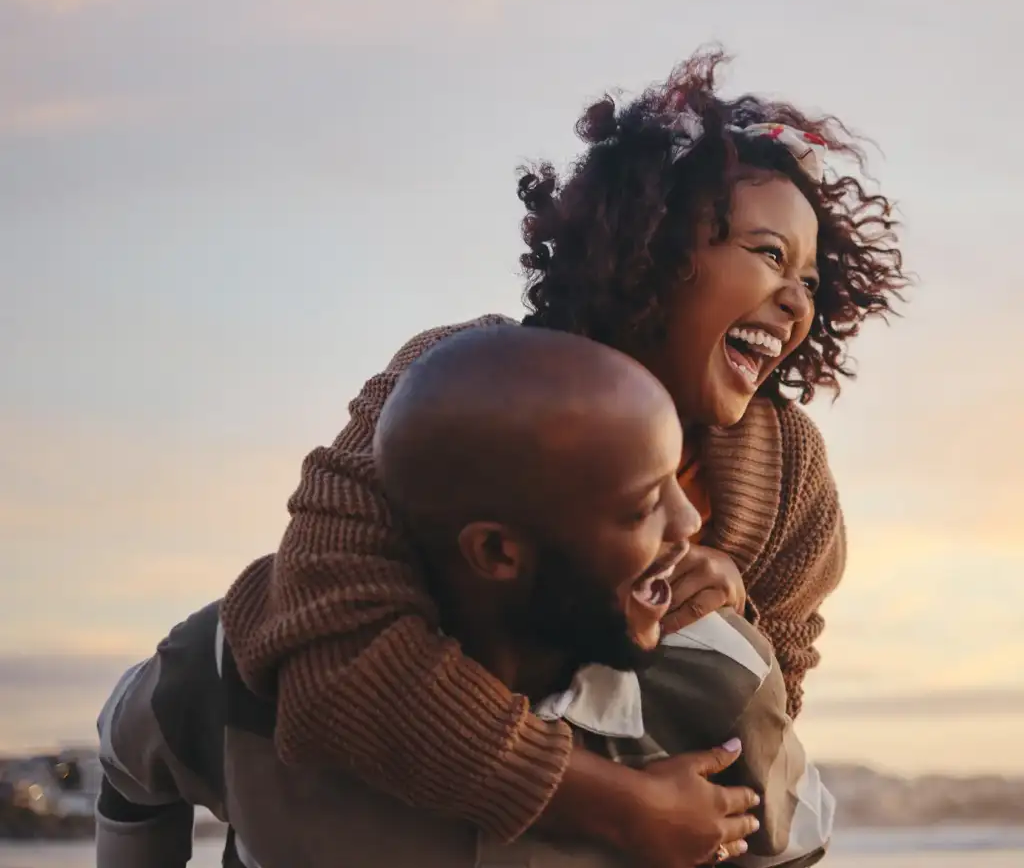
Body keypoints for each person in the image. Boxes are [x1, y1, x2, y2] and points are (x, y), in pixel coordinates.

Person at [220, 48, 907, 867]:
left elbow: (764, 725)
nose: (798, 299)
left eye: (810, 276)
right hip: (372, 814)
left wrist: (739, 619)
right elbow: (333, 655)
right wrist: (613, 805)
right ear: (651, 243)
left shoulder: (789, 473)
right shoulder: (455, 383)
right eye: (767, 253)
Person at [95, 327, 828, 867]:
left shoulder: (720, 678)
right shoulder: (239, 664)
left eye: (679, 478)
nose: (693, 524)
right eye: (642, 507)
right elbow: (129, 762)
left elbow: (797, 843)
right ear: (497, 550)